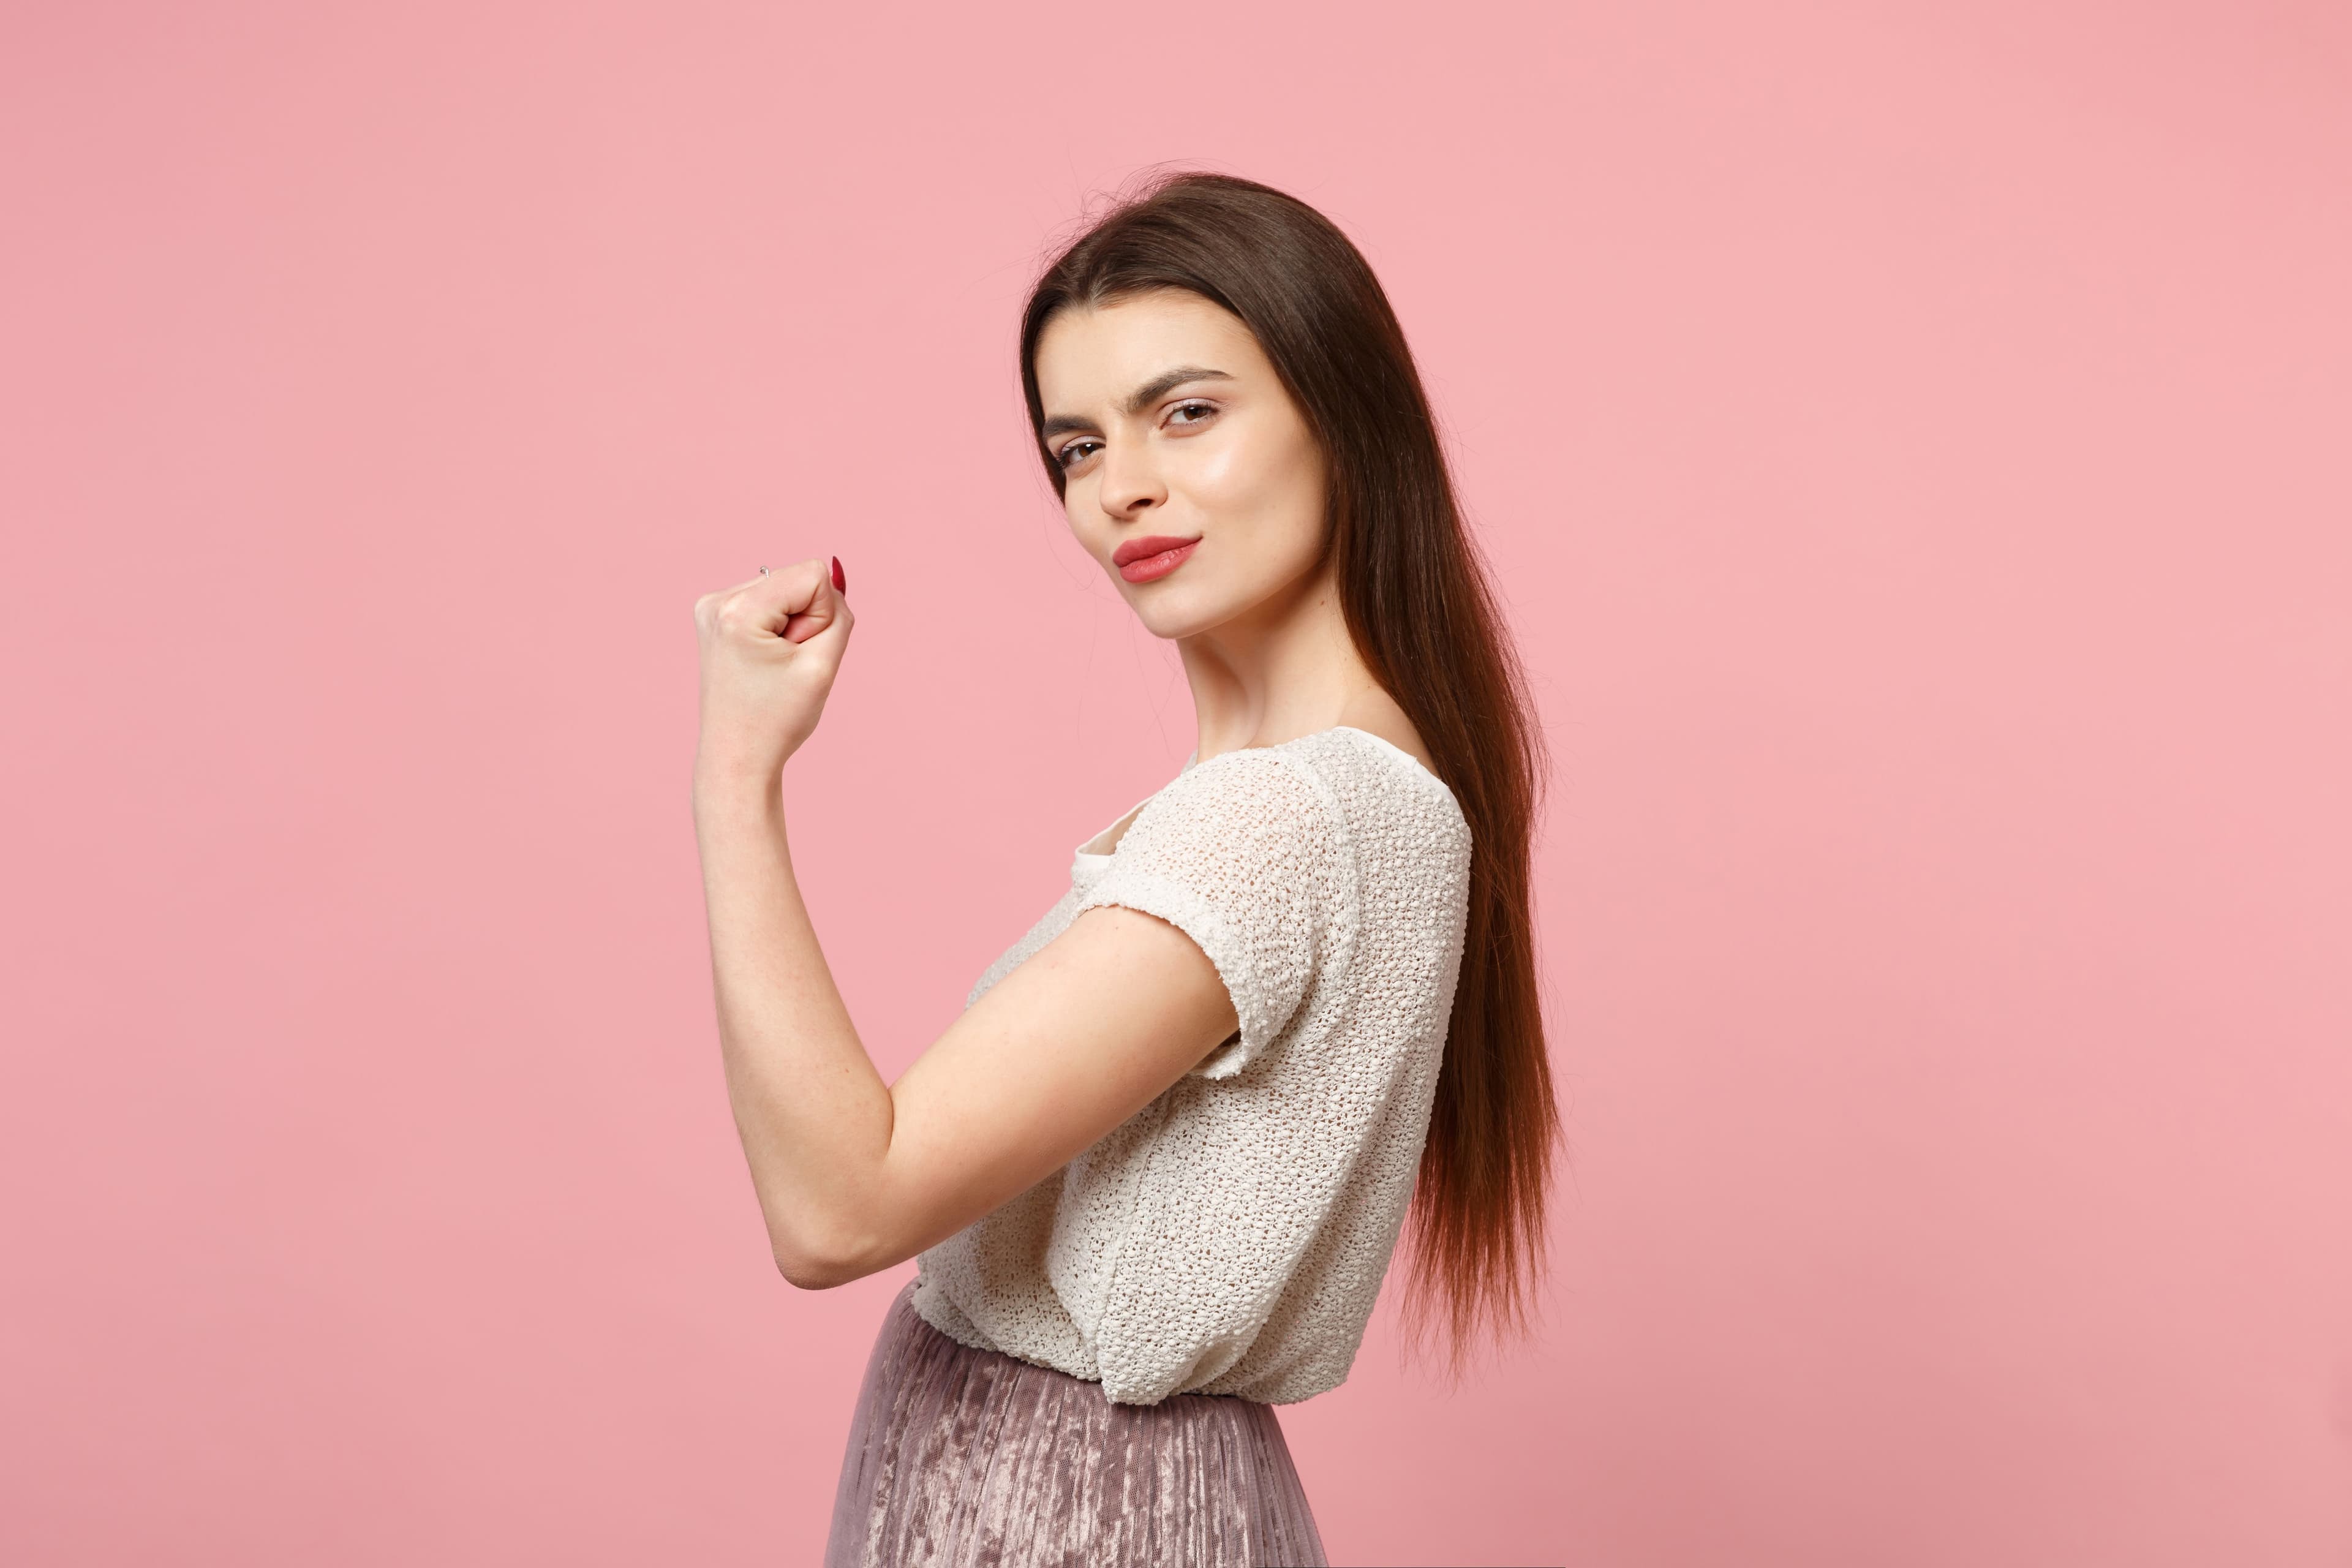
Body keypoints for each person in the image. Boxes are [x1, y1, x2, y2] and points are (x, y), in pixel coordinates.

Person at [690, 172, 1560, 1567]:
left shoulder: (1282, 818)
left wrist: (737, 773)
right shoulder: (1346, 794)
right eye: (1078, 446)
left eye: (1188, 412)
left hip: (1071, 1511)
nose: (1121, 488)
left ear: (1345, 414)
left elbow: (837, 1208)